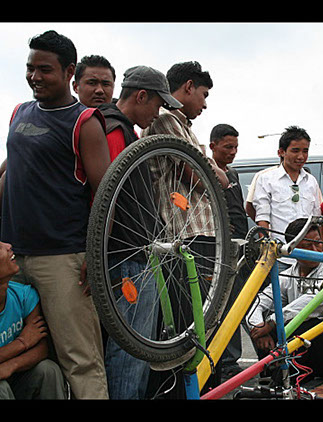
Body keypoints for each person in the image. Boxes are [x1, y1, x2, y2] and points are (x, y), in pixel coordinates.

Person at [0, 30, 110, 399]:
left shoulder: (85, 122)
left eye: (45, 70)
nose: (35, 77)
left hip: (62, 259)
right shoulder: (20, 112)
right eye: (30, 68)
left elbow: (107, 196)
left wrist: (95, 256)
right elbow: (9, 171)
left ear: (68, 72)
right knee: (35, 356)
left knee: (80, 359)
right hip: (13, 258)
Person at [98, 65, 183, 399]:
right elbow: (106, 193)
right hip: (127, 254)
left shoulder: (118, 128)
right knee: (131, 348)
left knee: (128, 345)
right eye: (157, 105)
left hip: (126, 251)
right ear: (141, 95)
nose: (157, 113)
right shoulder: (114, 129)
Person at [141, 61, 225, 398]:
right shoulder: (167, 120)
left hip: (197, 232)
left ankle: (195, 385)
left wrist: (215, 172)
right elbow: (201, 175)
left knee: (199, 318)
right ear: (188, 87)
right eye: (203, 95)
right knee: (190, 320)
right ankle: (183, 388)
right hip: (184, 233)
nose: (205, 104)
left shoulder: (182, 124)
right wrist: (219, 175)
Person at [246, 218, 323, 381]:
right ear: (291, 249)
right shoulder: (288, 274)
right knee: (266, 324)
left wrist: (270, 323)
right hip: (308, 348)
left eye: (318, 243)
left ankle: (286, 375)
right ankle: (278, 372)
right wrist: (259, 328)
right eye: (306, 246)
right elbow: (260, 301)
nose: (315, 250)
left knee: (302, 323)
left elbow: (311, 303)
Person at [0, 241, 67, 399]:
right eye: (0, 248)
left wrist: (11, 366)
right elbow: (29, 341)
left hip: (16, 378)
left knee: (48, 370)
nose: (8, 246)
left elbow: (42, 348)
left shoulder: (23, 295)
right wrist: (22, 342)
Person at [209, 123, 250, 380]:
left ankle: (233, 360)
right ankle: (224, 363)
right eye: (227, 147)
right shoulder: (207, 171)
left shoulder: (233, 174)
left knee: (241, 302)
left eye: (235, 147)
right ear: (213, 146)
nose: (232, 152)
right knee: (222, 306)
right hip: (220, 248)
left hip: (241, 246)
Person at [252, 126, 323, 271]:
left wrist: (322, 252)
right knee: (280, 294)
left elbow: (317, 220)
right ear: (281, 152)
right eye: (295, 150)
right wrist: (267, 253)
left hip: (309, 256)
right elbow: (262, 218)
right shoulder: (266, 179)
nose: (301, 156)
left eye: (305, 151)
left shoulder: (311, 181)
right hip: (281, 257)